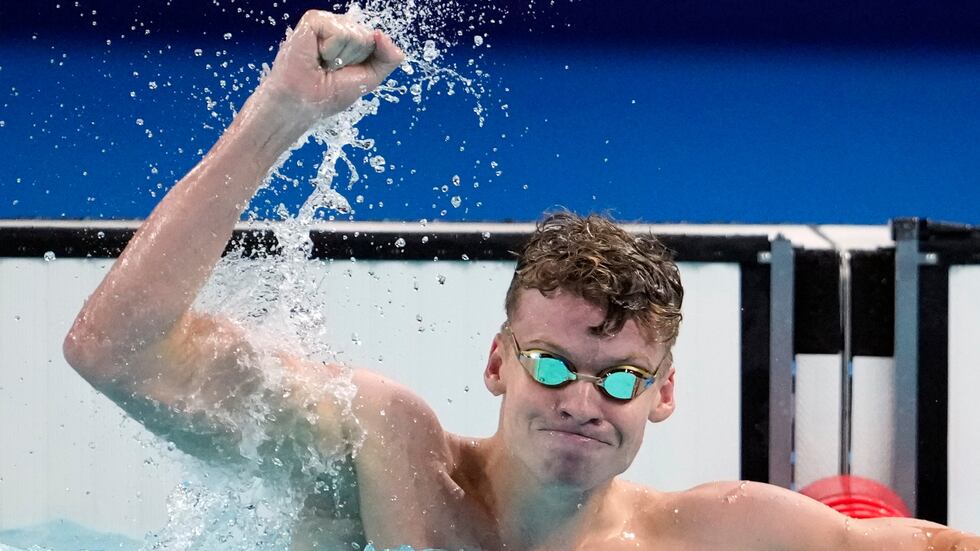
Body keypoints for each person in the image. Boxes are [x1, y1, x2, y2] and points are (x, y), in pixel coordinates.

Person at [63, 10, 979, 551]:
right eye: (553, 363)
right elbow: (113, 350)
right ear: (498, 359)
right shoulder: (387, 457)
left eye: (621, 377)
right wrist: (278, 116)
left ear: (662, 396)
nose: (585, 397)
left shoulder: (708, 536)